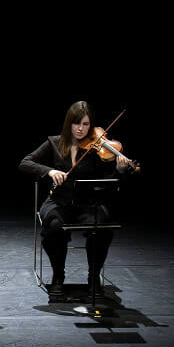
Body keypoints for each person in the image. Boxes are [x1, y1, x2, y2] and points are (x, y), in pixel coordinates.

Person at [19, 101, 136, 299]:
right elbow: (25, 163)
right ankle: (58, 276)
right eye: (76, 123)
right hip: (58, 201)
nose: (81, 129)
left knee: (102, 229)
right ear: (69, 123)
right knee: (53, 227)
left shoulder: (97, 149)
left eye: (86, 124)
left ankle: (93, 279)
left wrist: (119, 170)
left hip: (88, 204)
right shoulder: (55, 142)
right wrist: (50, 171)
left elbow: (107, 184)